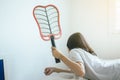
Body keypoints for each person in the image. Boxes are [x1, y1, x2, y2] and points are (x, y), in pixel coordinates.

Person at [44, 32, 120, 80]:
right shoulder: (86, 54)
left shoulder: (74, 51)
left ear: (69, 46)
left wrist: (60, 56)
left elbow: (80, 72)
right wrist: (56, 70)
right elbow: (76, 70)